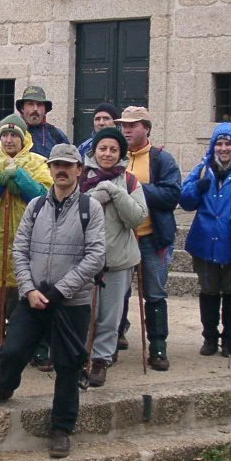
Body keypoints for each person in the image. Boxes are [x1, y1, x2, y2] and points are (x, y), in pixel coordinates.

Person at [0, 144, 106, 459]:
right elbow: (20, 250)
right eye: (56, 164)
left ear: (78, 171)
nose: (61, 170)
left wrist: (60, 291)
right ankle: (3, 387)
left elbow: (96, 256)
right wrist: (29, 289)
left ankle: (61, 427)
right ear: (50, 169)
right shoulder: (35, 206)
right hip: (33, 298)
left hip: (71, 302)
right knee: (14, 349)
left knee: (68, 365)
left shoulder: (90, 209)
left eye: (68, 165)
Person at [0, 114, 52, 369]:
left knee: (28, 293)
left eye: (14, 135)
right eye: (4, 134)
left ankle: (33, 346)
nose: (9, 140)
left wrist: (22, 181)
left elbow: (46, 196)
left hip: (28, 240)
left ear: (24, 137)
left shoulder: (38, 162)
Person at [116, 106, 181, 371]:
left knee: (154, 293)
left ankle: (157, 346)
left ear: (147, 128)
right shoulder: (115, 155)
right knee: (117, 292)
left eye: (133, 125)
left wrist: (137, 188)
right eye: (124, 125)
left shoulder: (162, 160)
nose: (127, 130)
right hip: (121, 238)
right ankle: (112, 340)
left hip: (151, 238)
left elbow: (172, 195)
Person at [81, 127, 147, 387]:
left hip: (118, 259)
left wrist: (115, 192)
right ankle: (78, 355)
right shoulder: (80, 177)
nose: (107, 154)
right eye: (102, 148)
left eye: (113, 149)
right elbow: (72, 212)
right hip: (84, 261)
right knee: (84, 313)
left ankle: (101, 359)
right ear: (94, 150)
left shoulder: (130, 182)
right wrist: (93, 195)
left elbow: (136, 218)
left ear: (120, 153)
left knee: (110, 315)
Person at [178, 123, 231, 359]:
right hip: (205, 241)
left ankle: (229, 339)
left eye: (228, 144)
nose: (223, 148)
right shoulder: (202, 170)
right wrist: (197, 189)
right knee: (208, 290)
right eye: (219, 144)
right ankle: (210, 337)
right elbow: (185, 200)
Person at [0, 85, 69, 159]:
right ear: (22, 108)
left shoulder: (56, 135)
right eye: (30, 104)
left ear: (45, 109)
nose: (35, 109)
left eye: (39, 104)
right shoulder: (7, 134)